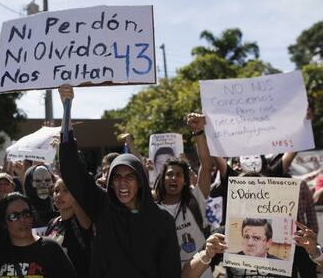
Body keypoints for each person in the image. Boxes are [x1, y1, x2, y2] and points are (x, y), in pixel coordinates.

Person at [58, 85, 181, 278]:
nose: (122, 183)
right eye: (117, 177)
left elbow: (170, 271)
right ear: (111, 182)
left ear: (140, 181)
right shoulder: (102, 207)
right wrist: (67, 107)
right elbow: (72, 170)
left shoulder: (161, 220)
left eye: (129, 177)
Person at [154, 113, 213, 278]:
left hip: (201, 272)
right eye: (170, 174)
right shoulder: (152, 207)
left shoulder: (195, 200)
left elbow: (207, 167)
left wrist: (199, 132)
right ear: (162, 178)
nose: (174, 178)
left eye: (179, 175)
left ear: (186, 181)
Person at [0, 192, 77, 278]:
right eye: (14, 216)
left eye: (26, 214)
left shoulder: (51, 248)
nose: (22, 220)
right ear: (3, 222)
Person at [182, 221, 323, 278]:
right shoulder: (224, 236)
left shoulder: (292, 237)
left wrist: (315, 252)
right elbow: (186, 276)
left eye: (256, 238)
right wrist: (206, 255)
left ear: (268, 241)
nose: (250, 243)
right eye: (246, 237)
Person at [45, 178, 92, 278]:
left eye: (66, 190)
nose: (59, 195)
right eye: (56, 191)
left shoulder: (82, 221)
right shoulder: (52, 223)